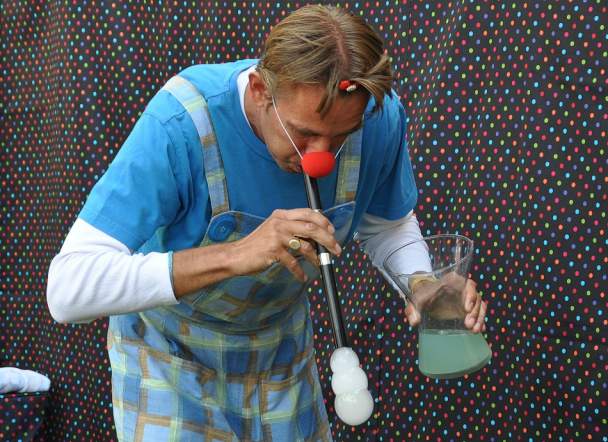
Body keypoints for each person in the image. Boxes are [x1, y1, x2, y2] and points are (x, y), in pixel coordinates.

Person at [47, 4, 487, 441]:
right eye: (303, 133)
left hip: (280, 353)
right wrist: (236, 254)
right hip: (171, 356)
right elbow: (67, 290)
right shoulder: (181, 123)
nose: (320, 159)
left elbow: (386, 224)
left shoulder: (373, 116)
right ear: (260, 89)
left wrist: (420, 283)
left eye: (340, 137)